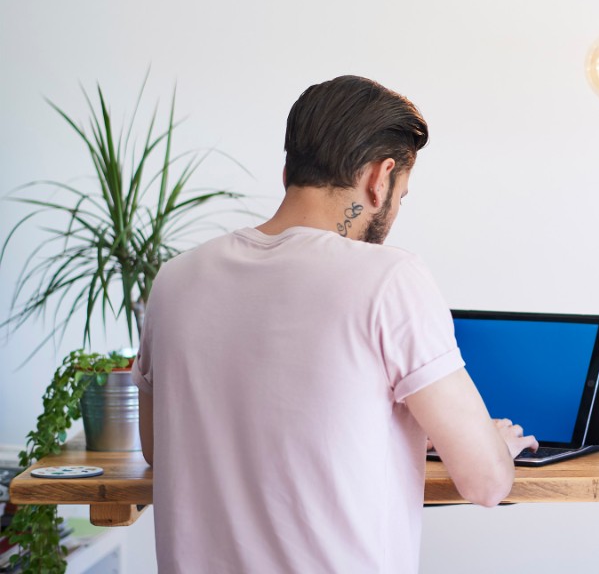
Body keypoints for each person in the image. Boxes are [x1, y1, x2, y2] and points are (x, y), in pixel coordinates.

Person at [133, 75, 537, 573]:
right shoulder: (389, 279)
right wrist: (498, 447)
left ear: (288, 172)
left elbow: (157, 447)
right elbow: (487, 483)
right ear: (381, 178)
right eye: (403, 195)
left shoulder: (175, 280)